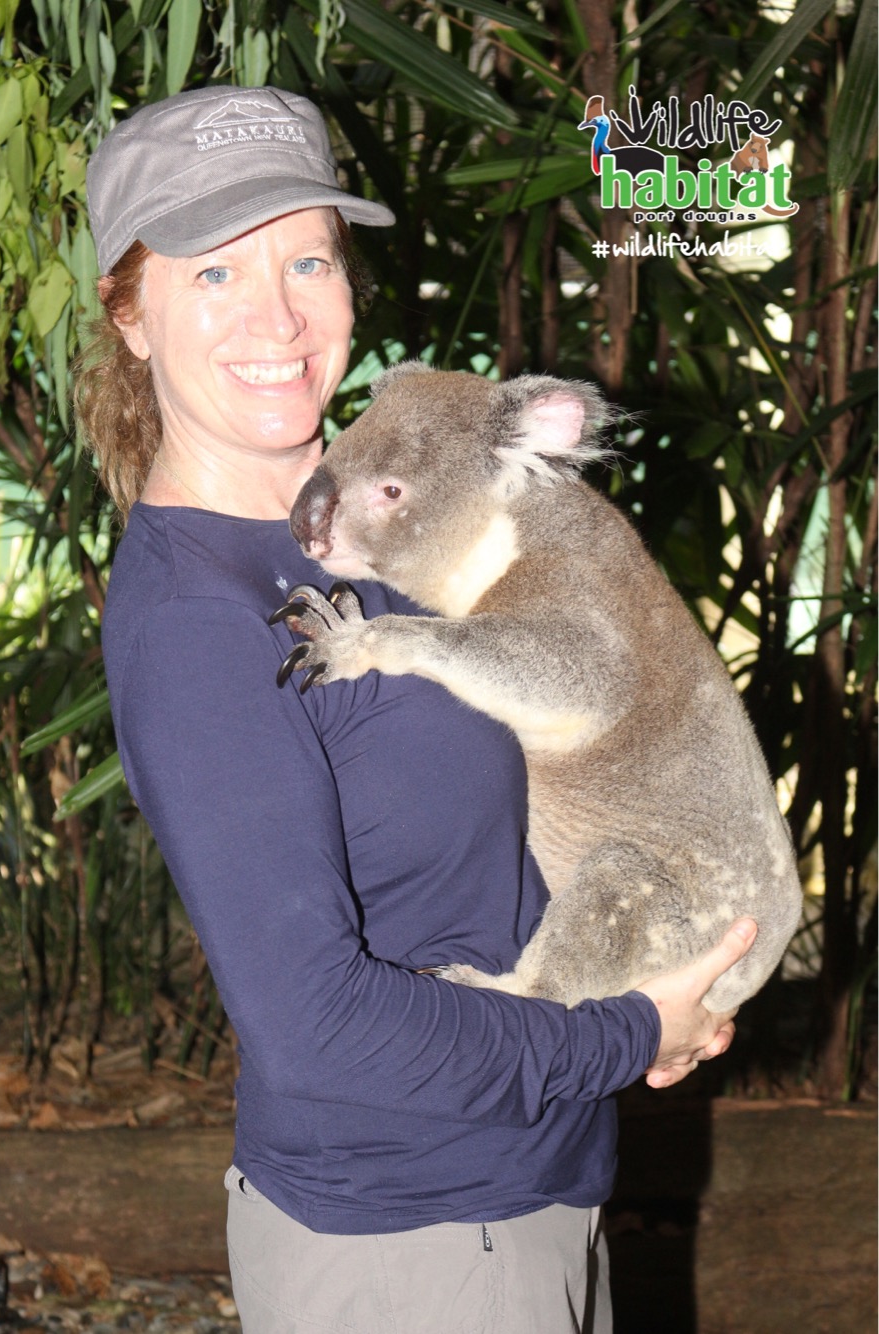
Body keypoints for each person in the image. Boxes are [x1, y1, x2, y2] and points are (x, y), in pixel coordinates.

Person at [79, 84, 756, 1334]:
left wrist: (643, 974)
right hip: (414, 1238)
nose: (278, 314)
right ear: (131, 314)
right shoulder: (195, 618)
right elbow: (318, 1029)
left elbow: (538, 794)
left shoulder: (387, 525)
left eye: (307, 259)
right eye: (214, 274)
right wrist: (612, 1034)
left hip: (526, 1182)